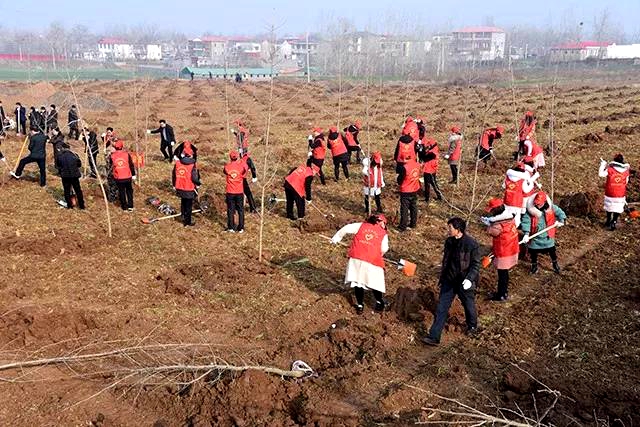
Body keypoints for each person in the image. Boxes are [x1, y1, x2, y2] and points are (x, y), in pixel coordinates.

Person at [423, 217, 480, 346]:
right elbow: (446, 260)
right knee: (441, 308)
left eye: (450, 228)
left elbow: (475, 264)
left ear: (458, 229)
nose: (448, 230)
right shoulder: (449, 242)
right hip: (449, 280)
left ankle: (472, 326)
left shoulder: (471, 244)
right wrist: (442, 276)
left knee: (468, 304)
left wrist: (469, 279)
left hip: (464, 280)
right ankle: (434, 336)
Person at [331, 214, 389, 314]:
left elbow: (346, 228)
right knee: (375, 282)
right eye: (384, 224)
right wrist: (379, 254)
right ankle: (379, 302)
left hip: (356, 257)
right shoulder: (383, 233)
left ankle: (360, 305)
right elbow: (384, 248)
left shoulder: (361, 225)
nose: (384, 226)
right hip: (372, 260)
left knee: (358, 281)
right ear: (380, 222)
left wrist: (336, 239)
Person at [521, 191, 566, 274]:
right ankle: (534, 266)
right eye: (536, 204)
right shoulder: (530, 211)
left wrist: (561, 220)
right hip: (535, 236)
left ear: (544, 202)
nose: (537, 205)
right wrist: (526, 234)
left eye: (539, 204)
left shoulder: (551, 208)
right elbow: (526, 221)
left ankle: (555, 264)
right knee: (533, 252)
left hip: (547, 236)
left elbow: (560, 213)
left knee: (552, 251)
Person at [483, 199, 519, 302]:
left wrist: (489, 224)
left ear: (496, 210)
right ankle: (504, 292)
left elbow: (490, 232)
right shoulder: (510, 218)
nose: (490, 212)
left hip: (503, 252)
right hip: (511, 248)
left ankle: (501, 295)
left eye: (492, 210)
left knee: (502, 274)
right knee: (505, 273)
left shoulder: (498, 225)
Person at [599, 154, 630, 231]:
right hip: (620, 193)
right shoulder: (626, 171)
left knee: (609, 206)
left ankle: (608, 220)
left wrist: (603, 164)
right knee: (618, 207)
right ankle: (614, 221)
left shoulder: (610, 169)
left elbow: (601, 174)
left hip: (610, 192)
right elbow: (626, 182)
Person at [172, 145, 201, 227]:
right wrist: (198, 183)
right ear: (191, 155)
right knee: (188, 205)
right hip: (189, 187)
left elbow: (174, 174)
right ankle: (187, 222)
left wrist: (174, 184)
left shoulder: (177, 163)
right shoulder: (192, 165)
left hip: (180, 187)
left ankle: (183, 216)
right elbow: (194, 177)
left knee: (183, 202)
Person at [501, 162, 535, 228]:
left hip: (507, 199)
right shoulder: (522, 180)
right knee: (516, 216)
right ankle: (514, 228)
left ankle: (505, 225)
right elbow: (526, 190)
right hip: (517, 201)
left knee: (506, 213)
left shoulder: (508, 177)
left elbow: (503, 186)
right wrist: (531, 184)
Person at [223, 150, 248, 232]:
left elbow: (225, 172)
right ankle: (241, 227)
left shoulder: (227, 167)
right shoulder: (241, 167)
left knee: (230, 209)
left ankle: (231, 227)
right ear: (237, 157)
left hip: (230, 191)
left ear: (230, 157)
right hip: (239, 191)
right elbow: (245, 171)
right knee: (240, 210)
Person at [55, 143, 86, 210]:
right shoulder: (75, 155)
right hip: (75, 176)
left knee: (67, 191)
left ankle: (69, 205)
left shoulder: (59, 156)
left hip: (65, 176)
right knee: (78, 191)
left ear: (62, 148)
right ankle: (82, 205)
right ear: (69, 148)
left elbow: (58, 166)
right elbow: (79, 165)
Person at [109, 140, 136, 211]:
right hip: (127, 176)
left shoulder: (112, 156)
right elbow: (131, 165)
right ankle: (130, 206)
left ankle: (124, 207)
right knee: (129, 191)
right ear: (122, 146)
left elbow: (110, 166)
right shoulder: (126, 154)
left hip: (118, 177)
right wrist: (133, 174)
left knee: (121, 191)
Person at [396, 157, 421, 231]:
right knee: (413, 207)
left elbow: (400, 180)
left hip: (406, 191)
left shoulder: (404, 168)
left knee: (404, 209)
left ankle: (402, 226)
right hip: (415, 189)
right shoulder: (417, 165)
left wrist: (398, 179)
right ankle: (413, 223)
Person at [420, 137, 443, 203]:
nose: (427, 146)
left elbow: (425, 158)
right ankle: (437, 197)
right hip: (430, 170)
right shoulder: (434, 150)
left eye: (428, 145)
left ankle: (428, 198)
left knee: (430, 184)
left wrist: (421, 151)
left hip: (429, 170)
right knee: (432, 184)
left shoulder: (432, 153)